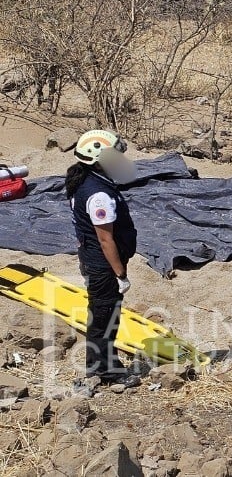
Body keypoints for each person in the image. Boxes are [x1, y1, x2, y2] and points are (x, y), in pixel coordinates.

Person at [67, 129, 141, 387]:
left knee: (101, 315)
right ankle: (106, 371)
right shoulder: (98, 195)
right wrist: (120, 274)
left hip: (94, 260)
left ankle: (98, 365)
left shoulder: (85, 179)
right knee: (105, 317)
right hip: (103, 265)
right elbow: (105, 239)